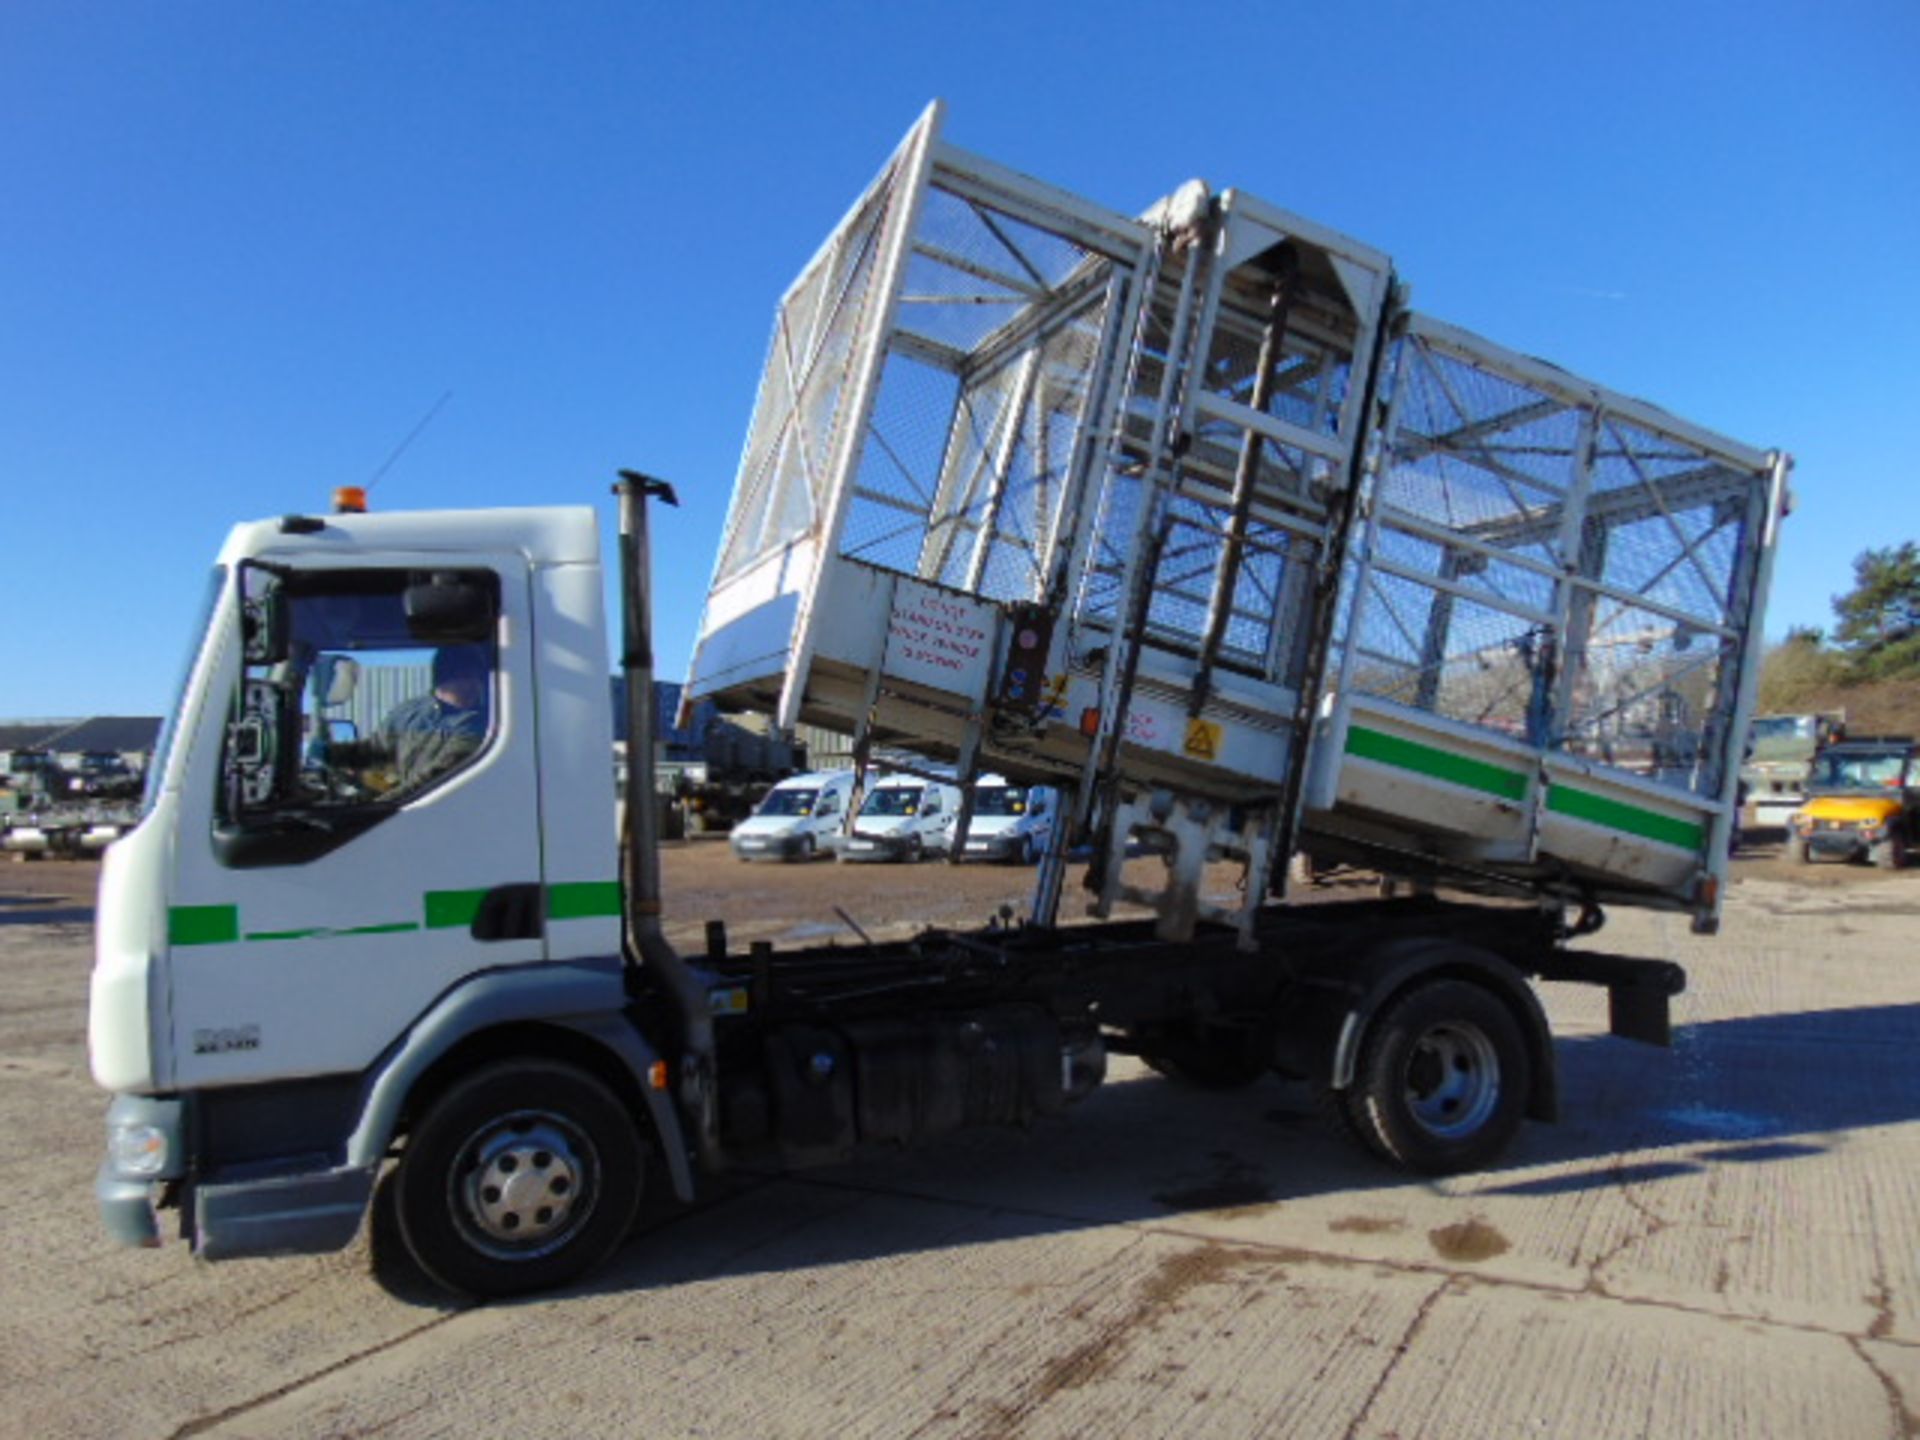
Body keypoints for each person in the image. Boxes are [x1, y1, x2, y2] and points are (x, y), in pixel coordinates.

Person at [371, 644, 492, 794]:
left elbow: (439, 776)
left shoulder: (482, 723)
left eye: (477, 678)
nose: (474, 686)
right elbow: (373, 762)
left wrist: (387, 804)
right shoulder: (404, 714)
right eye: (467, 677)